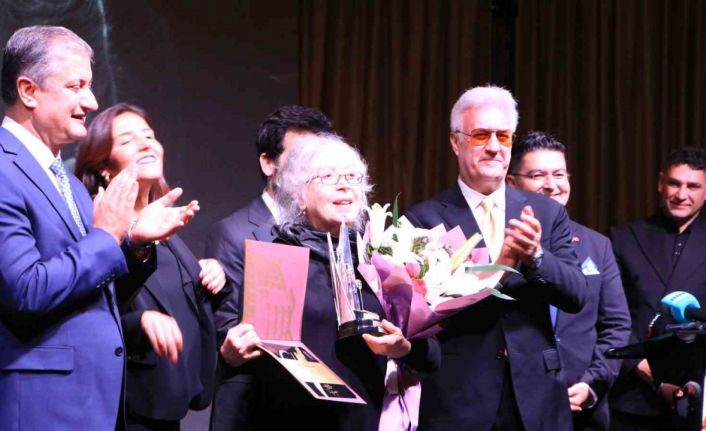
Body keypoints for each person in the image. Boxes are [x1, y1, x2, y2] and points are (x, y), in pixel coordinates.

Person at [0, 26, 196, 430]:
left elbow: (94, 296)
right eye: (76, 86)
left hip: (93, 404)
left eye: (89, 86)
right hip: (40, 406)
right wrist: (106, 237)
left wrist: (133, 245)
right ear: (28, 91)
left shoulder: (69, 183)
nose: (91, 102)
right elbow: (25, 292)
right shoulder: (4, 168)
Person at [217, 134, 440, 430]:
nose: (344, 185)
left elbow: (431, 355)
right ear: (299, 195)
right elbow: (251, 362)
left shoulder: (382, 260)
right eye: (327, 177)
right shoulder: (277, 259)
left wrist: (405, 348)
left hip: (366, 420)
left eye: (352, 177)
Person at [404, 85, 587, 431]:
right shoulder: (425, 219)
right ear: (455, 142)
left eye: (503, 137)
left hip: (537, 399)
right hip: (460, 396)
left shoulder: (547, 213)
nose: (493, 147)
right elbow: (425, 314)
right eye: (480, 135)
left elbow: (577, 295)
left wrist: (535, 256)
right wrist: (498, 269)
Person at [74, 103, 224, 430]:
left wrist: (210, 272)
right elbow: (87, 310)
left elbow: (180, 300)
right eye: (128, 140)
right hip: (123, 408)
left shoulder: (166, 230)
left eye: (149, 136)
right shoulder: (96, 232)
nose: (145, 145)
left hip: (167, 407)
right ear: (104, 167)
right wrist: (139, 321)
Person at [207, 105, 334, 430]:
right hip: (258, 406)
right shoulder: (234, 232)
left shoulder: (335, 233)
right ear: (268, 163)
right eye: (300, 159)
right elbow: (225, 327)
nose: (310, 170)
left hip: (323, 409)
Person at [506, 131, 632, 430]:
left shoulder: (598, 245)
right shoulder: (499, 243)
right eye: (538, 175)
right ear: (511, 183)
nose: (552, 185)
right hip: (515, 405)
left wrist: (593, 383)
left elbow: (616, 327)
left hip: (584, 412)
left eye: (559, 174)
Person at [609, 147, 706, 431]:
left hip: (697, 391)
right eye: (674, 183)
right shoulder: (624, 238)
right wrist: (645, 371)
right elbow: (610, 314)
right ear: (660, 182)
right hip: (632, 394)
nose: (681, 194)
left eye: (692, 186)